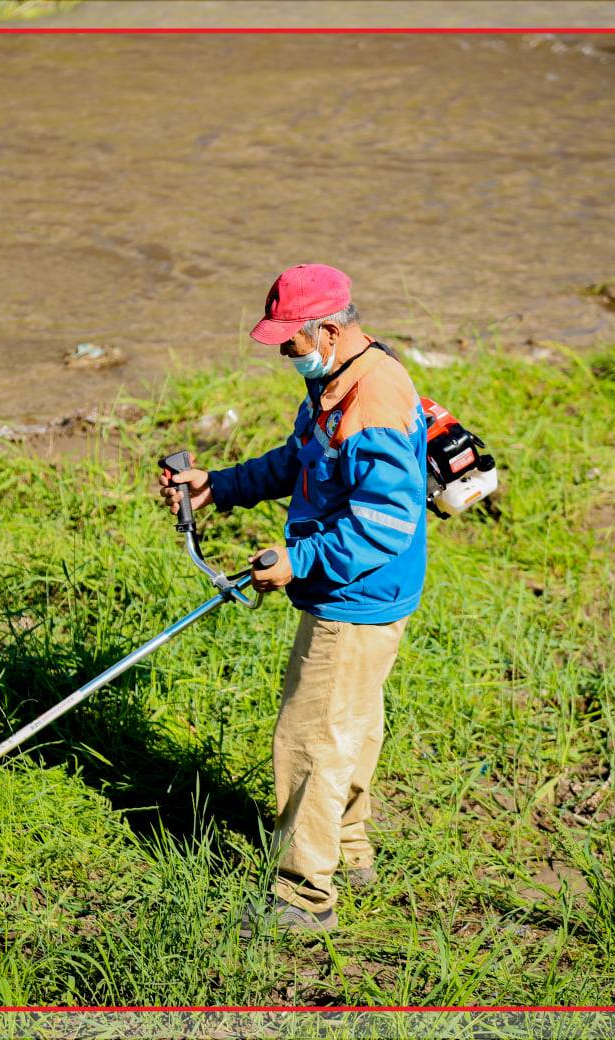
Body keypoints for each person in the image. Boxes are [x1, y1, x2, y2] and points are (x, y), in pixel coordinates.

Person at [158, 264, 427, 934]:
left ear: (329, 330)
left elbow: (386, 523)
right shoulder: (338, 381)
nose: (284, 353)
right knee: (352, 727)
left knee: (309, 739)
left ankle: (304, 896)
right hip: (360, 594)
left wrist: (301, 558)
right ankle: (352, 848)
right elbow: (298, 460)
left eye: (290, 341)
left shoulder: (372, 400)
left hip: (355, 596)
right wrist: (218, 486)